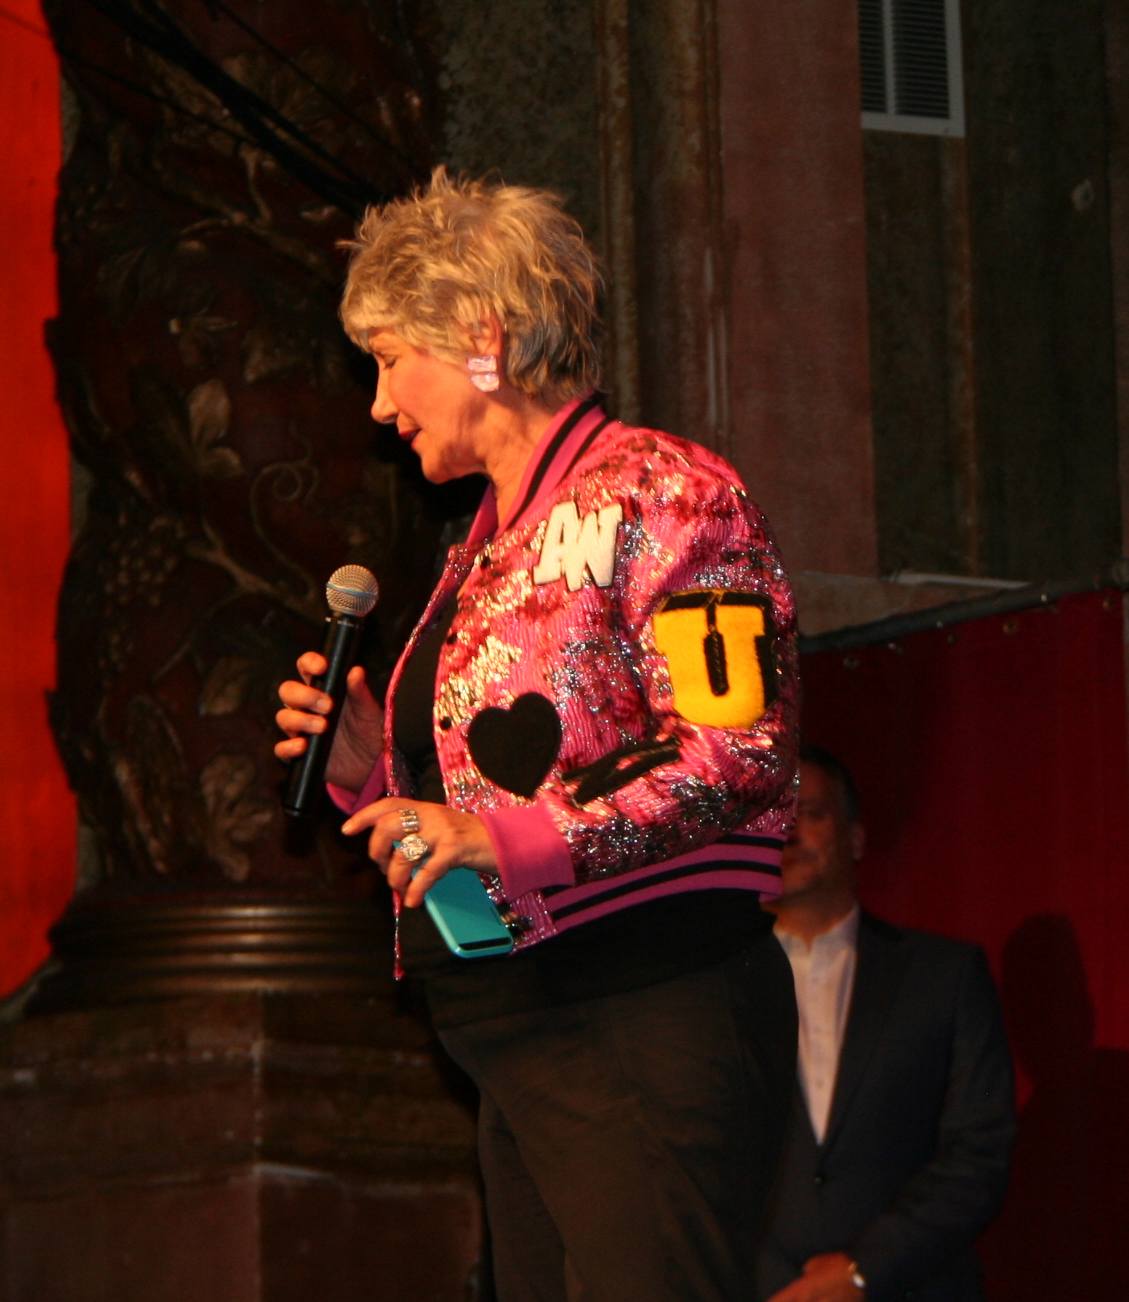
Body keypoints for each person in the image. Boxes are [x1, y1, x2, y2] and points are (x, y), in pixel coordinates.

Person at [274, 168, 799, 1301]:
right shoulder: (481, 543)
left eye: (388, 359)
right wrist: (373, 772)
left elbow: (735, 750)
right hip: (521, 1024)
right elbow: (494, 790)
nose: (378, 404)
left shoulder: (667, 490)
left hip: (637, 1009)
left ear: (481, 338)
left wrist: (506, 841)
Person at [755, 746, 1016, 1302]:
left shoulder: (944, 977)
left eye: (810, 813)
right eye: (771, 816)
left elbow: (979, 1150)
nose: (788, 832)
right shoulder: (716, 990)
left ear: (855, 838)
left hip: (912, 1287)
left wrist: (862, 1271)